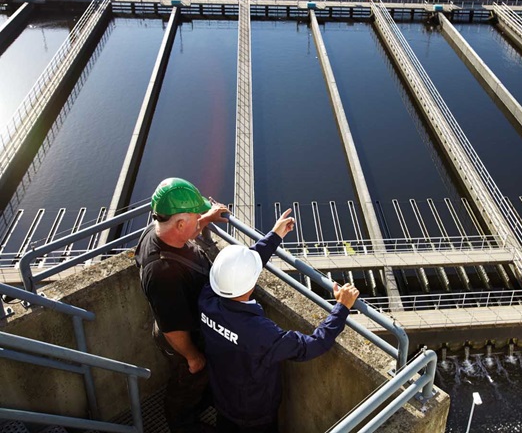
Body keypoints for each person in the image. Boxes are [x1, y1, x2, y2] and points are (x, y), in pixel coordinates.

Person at [199, 245, 360, 433]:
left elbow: (234, 271)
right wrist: (341, 308)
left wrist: (275, 236)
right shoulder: (261, 333)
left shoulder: (206, 298)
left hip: (222, 397)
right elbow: (312, 345)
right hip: (255, 412)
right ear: (252, 280)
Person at [135, 177, 230, 433]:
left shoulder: (156, 232)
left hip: (181, 323)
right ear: (179, 222)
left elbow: (185, 229)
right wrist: (193, 357)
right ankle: (182, 424)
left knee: (196, 379)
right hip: (182, 339)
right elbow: (173, 329)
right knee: (187, 382)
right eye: (194, 215)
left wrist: (206, 217)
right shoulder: (163, 273)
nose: (199, 219)